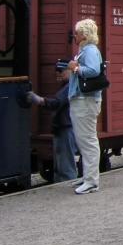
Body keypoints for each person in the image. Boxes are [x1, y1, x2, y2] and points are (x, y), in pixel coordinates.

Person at [67, 19, 104, 195]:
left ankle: (91, 181)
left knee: (87, 140)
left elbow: (94, 70)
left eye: (77, 32)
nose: (75, 35)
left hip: (85, 100)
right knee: (84, 139)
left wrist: (76, 69)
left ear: (84, 34)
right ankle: (88, 177)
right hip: (84, 100)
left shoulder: (89, 50)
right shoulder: (86, 49)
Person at [28, 59, 79, 182]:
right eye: (56, 70)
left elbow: (56, 104)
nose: (57, 73)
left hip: (66, 130)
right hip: (62, 130)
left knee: (65, 167)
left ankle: (67, 192)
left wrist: (38, 99)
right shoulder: (68, 86)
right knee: (61, 165)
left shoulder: (70, 87)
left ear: (70, 71)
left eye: (60, 70)